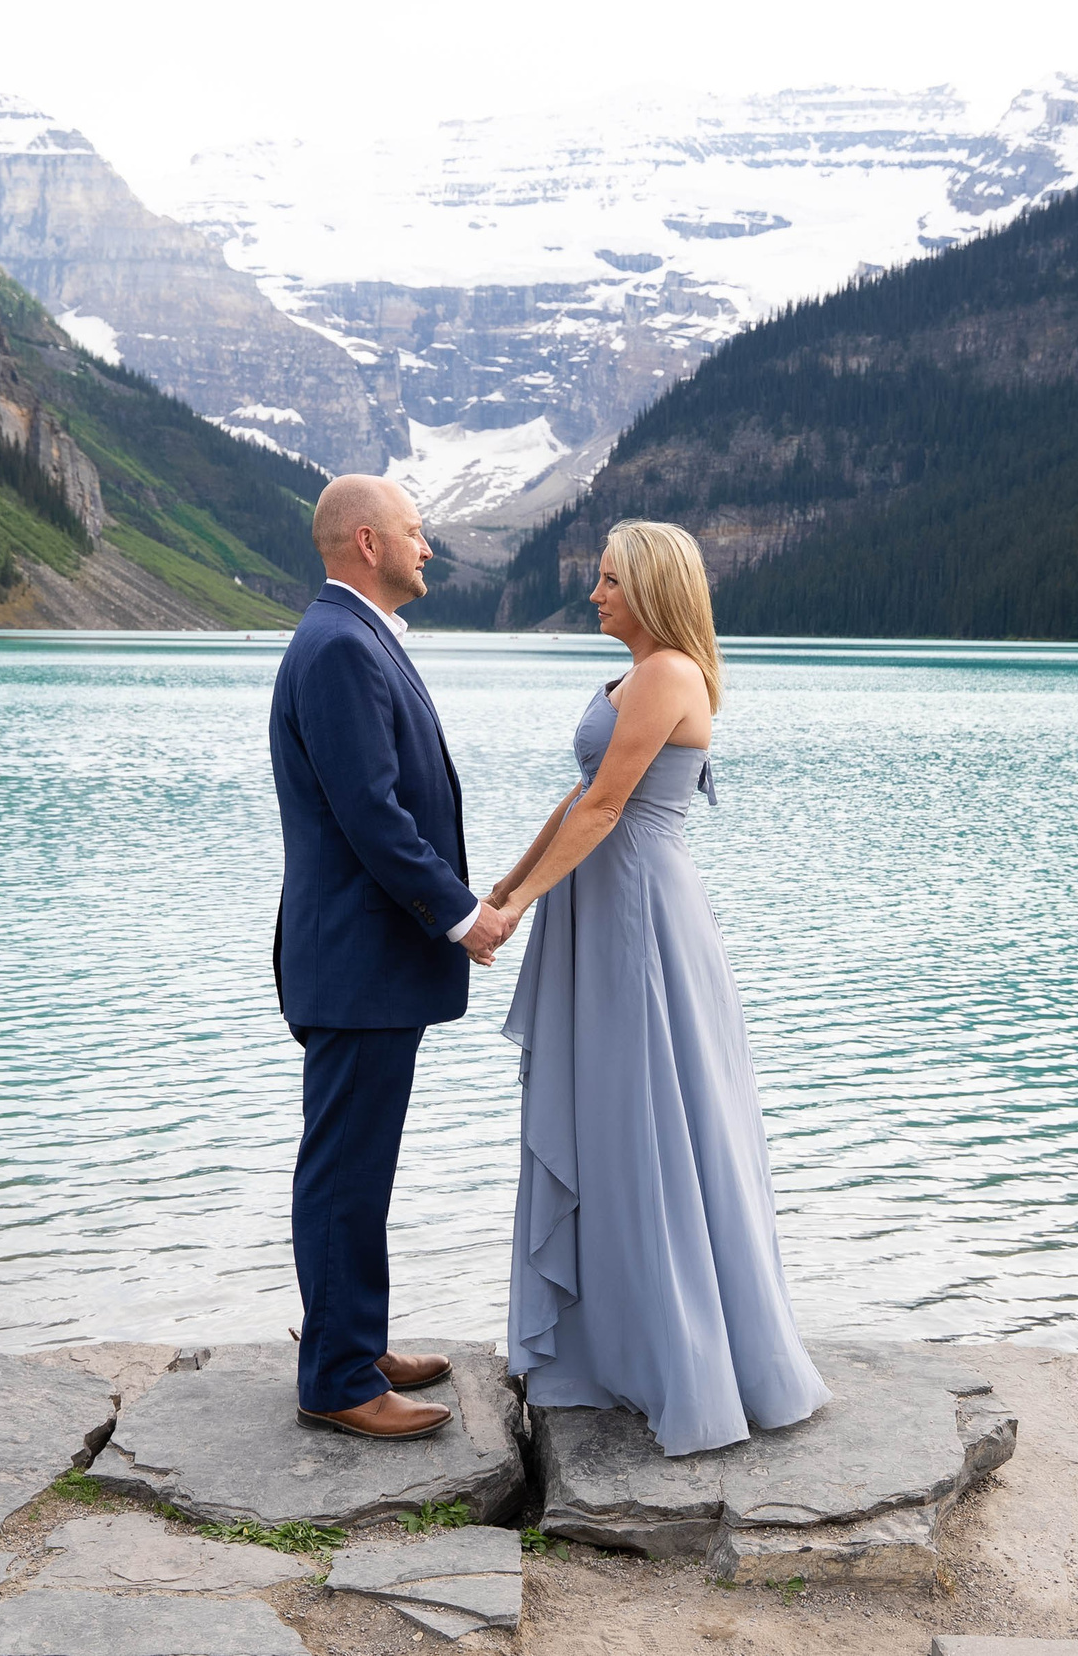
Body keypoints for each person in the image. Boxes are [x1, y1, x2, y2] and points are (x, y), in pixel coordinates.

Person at [488, 519, 830, 1456]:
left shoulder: (672, 672)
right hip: (600, 907)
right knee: (612, 1118)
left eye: (607, 581)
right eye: (595, 579)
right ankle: (614, 1343)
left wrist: (517, 909)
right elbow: (577, 799)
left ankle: (679, 1358)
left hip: (639, 916)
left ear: (649, 586)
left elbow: (606, 807)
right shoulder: (633, 676)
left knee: (653, 1120)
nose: (593, 593)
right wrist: (508, 888)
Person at [269, 475, 517, 1440]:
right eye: (417, 534)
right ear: (367, 542)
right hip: (356, 959)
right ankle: (335, 1378)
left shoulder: (352, 637)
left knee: (358, 1163)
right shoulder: (338, 646)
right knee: (343, 1167)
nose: (430, 548)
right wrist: (460, 916)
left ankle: (353, 1339)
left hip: (362, 958)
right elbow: (373, 814)